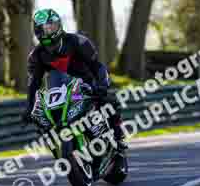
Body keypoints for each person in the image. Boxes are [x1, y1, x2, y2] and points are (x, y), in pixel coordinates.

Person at [21, 8, 128, 151]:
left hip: (87, 85)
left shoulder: (78, 41)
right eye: (43, 28)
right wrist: (29, 108)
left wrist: (101, 85)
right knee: (43, 122)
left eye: (50, 26)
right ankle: (57, 144)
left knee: (109, 101)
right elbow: (34, 84)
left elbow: (97, 66)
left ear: (58, 25)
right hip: (60, 92)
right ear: (36, 31)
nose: (47, 31)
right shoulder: (36, 56)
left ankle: (118, 135)